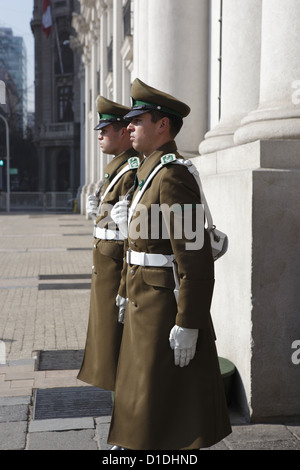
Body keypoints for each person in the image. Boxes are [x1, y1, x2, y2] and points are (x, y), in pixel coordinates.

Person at [107, 78, 232, 450]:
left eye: (138, 119)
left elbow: (193, 257)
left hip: (164, 307)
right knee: (140, 390)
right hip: (142, 300)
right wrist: (123, 291)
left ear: (163, 125)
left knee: (161, 397)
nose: (128, 126)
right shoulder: (147, 173)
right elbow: (140, 244)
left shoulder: (173, 174)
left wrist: (189, 322)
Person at [77, 96, 140, 392]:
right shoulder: (115, 172)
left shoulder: (130, 172)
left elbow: (136, 237)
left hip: (119, 276)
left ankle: (127, 416)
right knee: (108, 346)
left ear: (124, 132)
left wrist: (126, 287)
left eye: (107, 128)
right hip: (107, 274)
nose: (100, 134)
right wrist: (98, 216)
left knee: (119, 348)